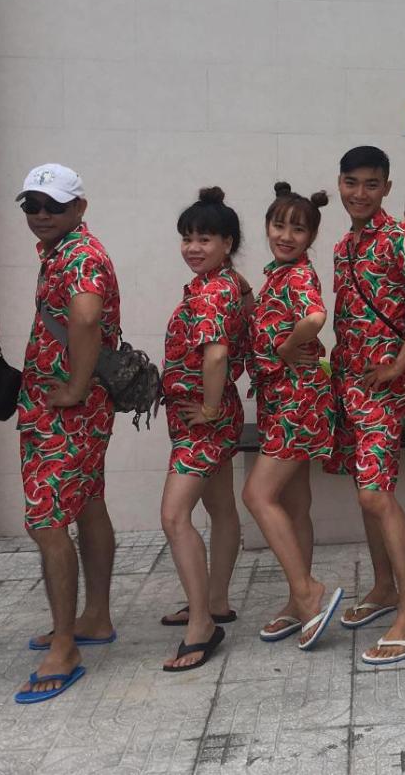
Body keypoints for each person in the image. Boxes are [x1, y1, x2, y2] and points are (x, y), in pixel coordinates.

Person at [327, 146, 405, 665]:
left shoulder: (401, 237)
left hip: (381, 388)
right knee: (364, 492)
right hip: (347, 384)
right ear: (339, 183)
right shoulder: (343, 246)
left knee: (376, 494)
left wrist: (401, 362)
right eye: (351, 183)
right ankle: (383, 587)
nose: (359, 193)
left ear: (387, 188)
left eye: (371, 184)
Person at [15, 163, 121, 703]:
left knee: (46, 522)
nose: (41, 214)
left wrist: (75, 388)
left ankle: (64, 645)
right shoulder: (61, 252)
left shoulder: (80, 256)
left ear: (79, 207)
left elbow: (84, 317)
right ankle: (95, 616)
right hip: (69, 408)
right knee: (87, 505)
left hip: (66, 413)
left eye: (53, 206)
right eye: (32, 205)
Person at [158, 188, 262, 669]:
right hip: (209, 419)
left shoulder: (212, 291)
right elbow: (249, 304)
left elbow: (216, 354)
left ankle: (202, 624)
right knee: (220, 508)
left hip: (203, 423)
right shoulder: (229, 283)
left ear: (228, 243)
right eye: (187, 238)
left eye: (205, 239)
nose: (193, 247)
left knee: (173, 516)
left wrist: (210, 407)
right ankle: (216, 600)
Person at [241, 182, 343, 647]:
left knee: (257, 495)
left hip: (296, 402)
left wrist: (286, 346)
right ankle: (295, 599)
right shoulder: (278, 276)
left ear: (311, 236)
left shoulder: (297, 277)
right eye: (278, 225)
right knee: (296, 503)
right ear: (266, 226)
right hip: (286, 400)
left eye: (297, 229)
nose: (285, 236)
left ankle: (306, 591)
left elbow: (316, 318)